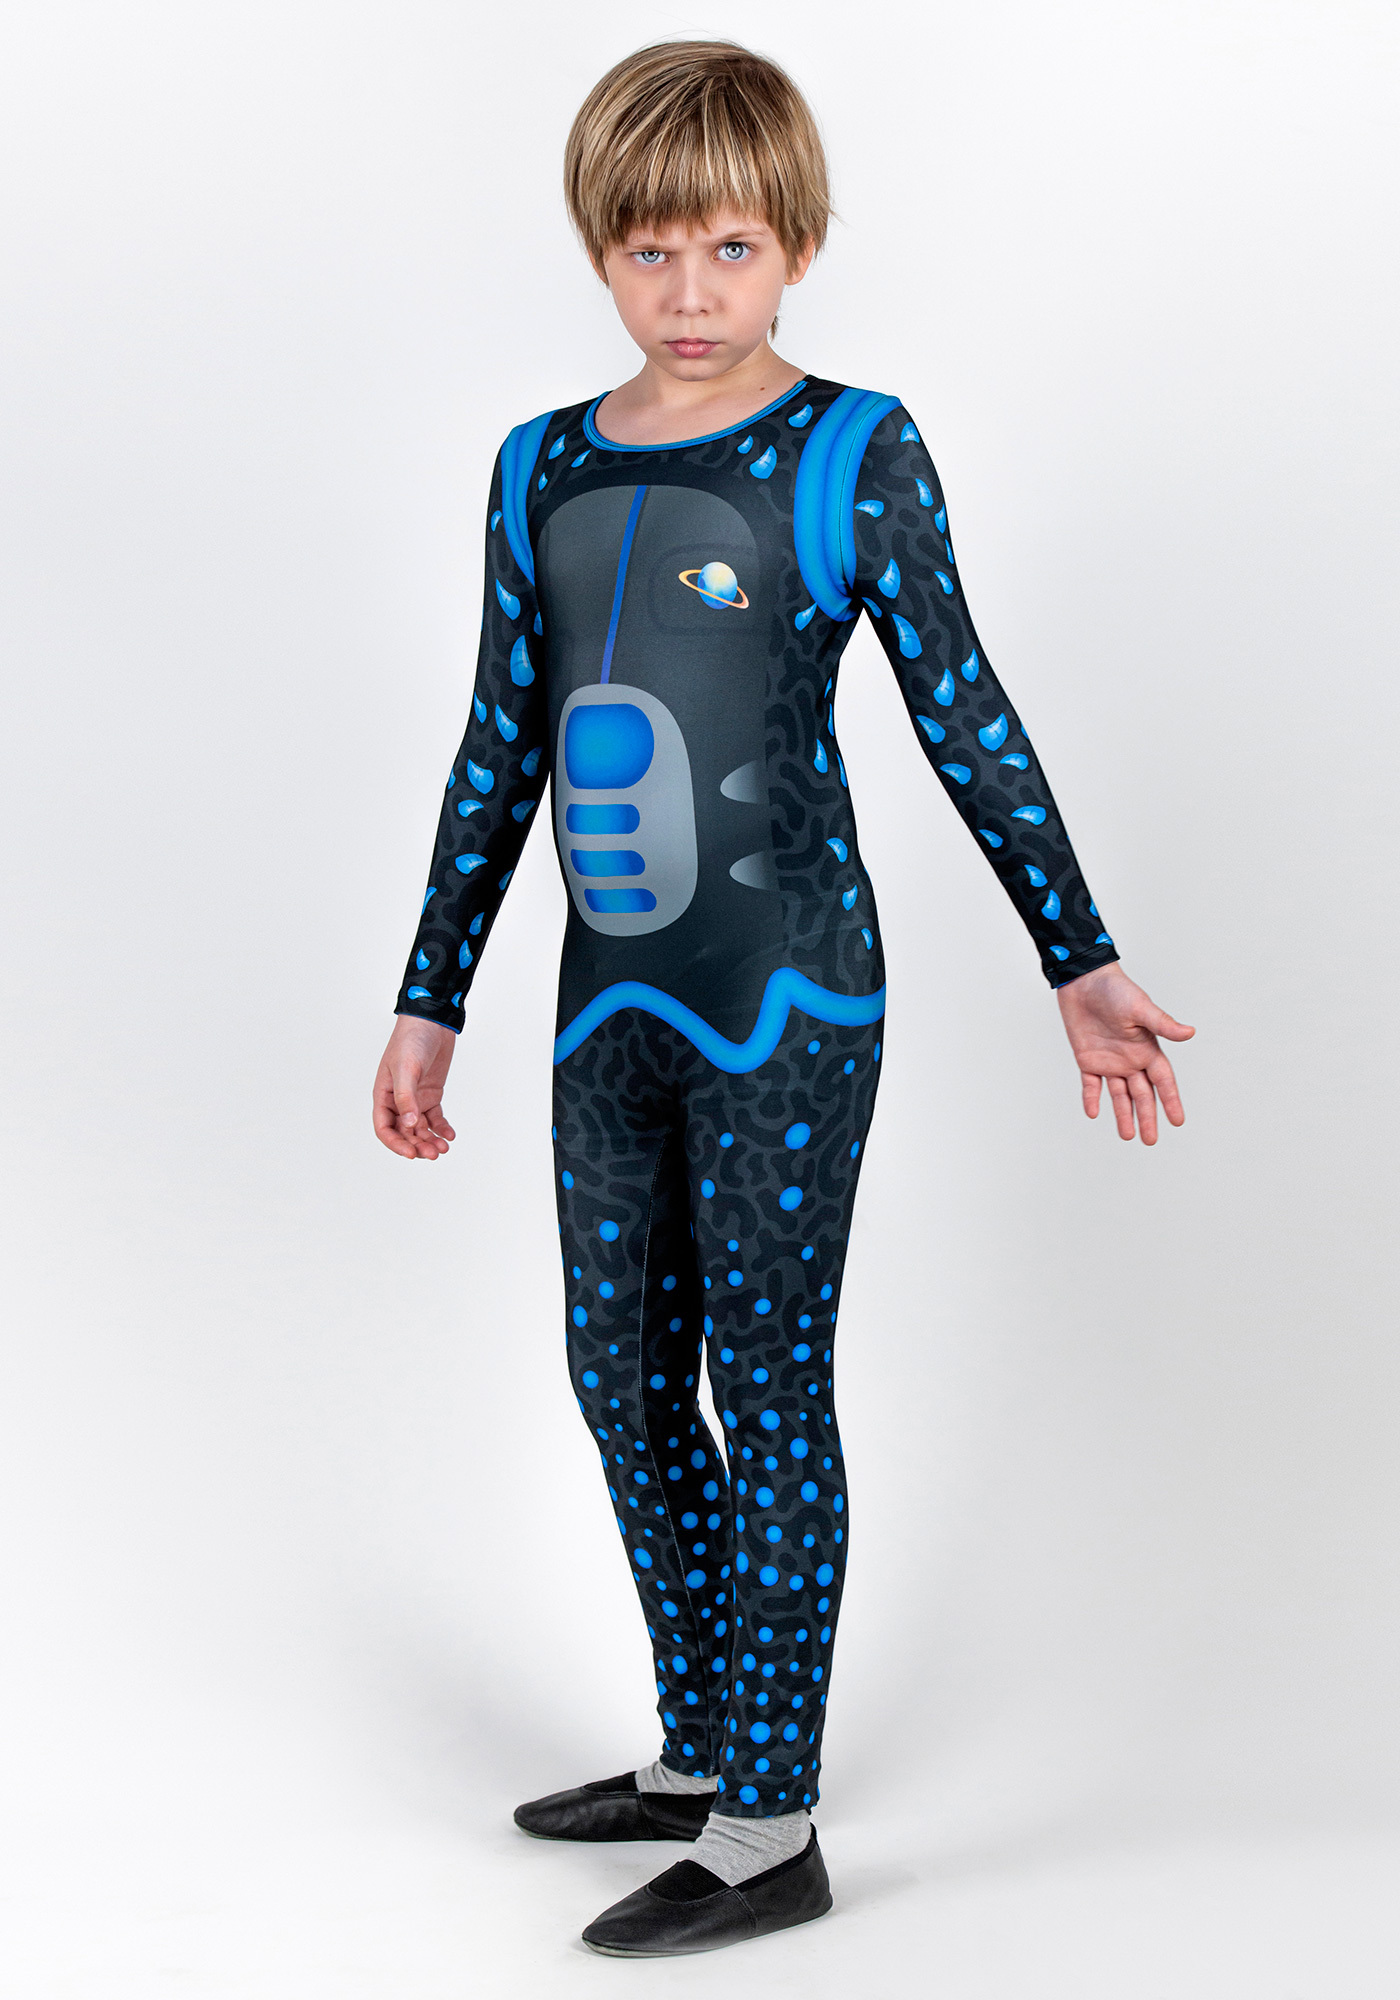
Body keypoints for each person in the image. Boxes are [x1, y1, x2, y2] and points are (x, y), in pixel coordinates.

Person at [372, 39, 1193, 1959]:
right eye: (648, 251)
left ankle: (769, 1823)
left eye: (730, 249)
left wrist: (1074, 954)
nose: (689, 293)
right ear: (600, 249)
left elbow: (966, 712)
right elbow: (500, 743)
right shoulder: (541, 464)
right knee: (615, 1377)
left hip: (788, 1004)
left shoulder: (851, 449)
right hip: (606, 1008)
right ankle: (699, 1748)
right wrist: (431, 997)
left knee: (765, 1380)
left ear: (798, 245)